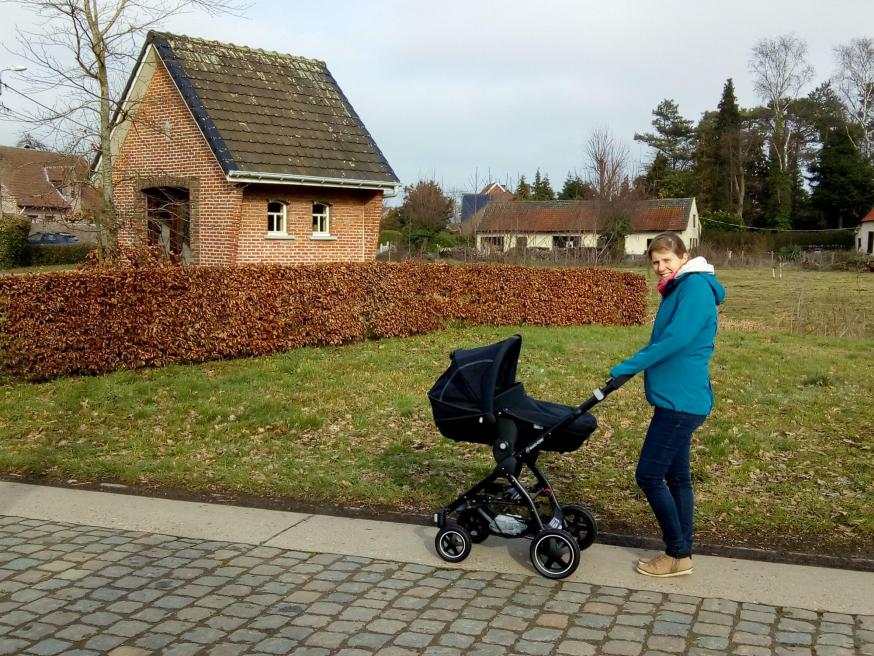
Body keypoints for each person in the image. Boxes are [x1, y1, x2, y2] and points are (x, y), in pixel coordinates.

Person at [610, 232, 725, 578]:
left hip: (681, 402)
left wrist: (627, 367)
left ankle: (677, 552)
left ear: (684, 256)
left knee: (649, 474)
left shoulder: (694, 289)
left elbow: (674, 340)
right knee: (678, 478)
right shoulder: (681, 286)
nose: (660, 267)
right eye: (655, 262)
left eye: (667, 260)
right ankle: (682, 552)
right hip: (677, 399)